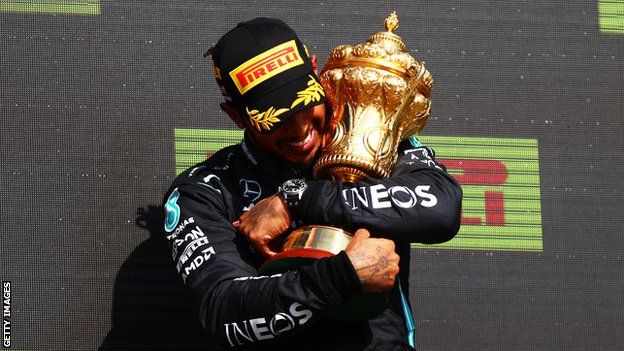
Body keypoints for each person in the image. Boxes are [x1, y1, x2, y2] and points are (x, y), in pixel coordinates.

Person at [162, 17, 462, 350]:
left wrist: (297, 199)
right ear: (236, 116)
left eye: (305, 101)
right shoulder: (205, 189)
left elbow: (442, 206)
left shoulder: (371, 133)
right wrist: (341, 278)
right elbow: (222, 311)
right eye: (274, 117)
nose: (300, 128)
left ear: (317, 72)